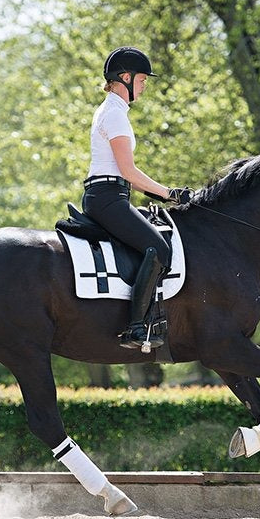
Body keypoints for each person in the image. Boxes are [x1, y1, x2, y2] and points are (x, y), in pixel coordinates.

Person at [82, 46, 192, 350]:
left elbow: (127, 175)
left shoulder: (113, 111)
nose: (143, 87)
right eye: (142, 80)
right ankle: (136, 327)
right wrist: (171, 193)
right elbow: (128, 171)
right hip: (107, 197)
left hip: (111, 194)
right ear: (125, 78)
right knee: (158, 247)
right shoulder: (114, 114)